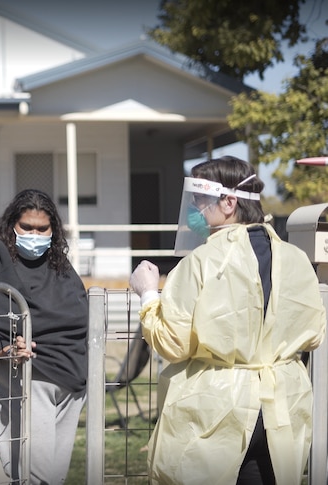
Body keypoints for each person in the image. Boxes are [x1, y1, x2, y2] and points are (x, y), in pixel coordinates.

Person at [129, 155, 326, 485]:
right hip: (282, 408)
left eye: (200, 201)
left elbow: (173, 344)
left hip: (216, 410)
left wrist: (148, 295)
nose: (194, 209)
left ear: (229, 202)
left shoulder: (201, 261)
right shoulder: (295, 258)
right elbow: (314, 334)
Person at [0, 188, 89, 485]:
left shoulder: (61, 268)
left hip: (72, 380)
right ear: (11, 225)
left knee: (53, 476)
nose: (35, 235)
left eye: (43, 229)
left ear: (54, 230)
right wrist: (3, 349)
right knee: (33, 475)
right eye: (26, 227)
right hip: (26, 375)